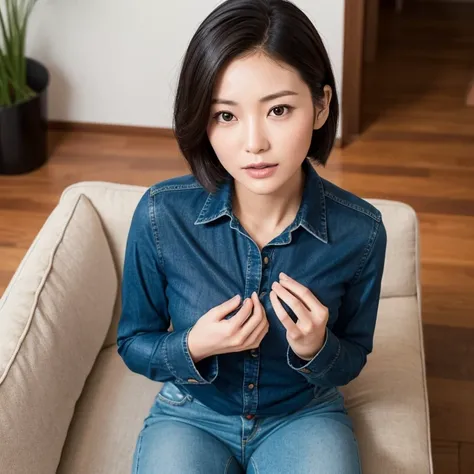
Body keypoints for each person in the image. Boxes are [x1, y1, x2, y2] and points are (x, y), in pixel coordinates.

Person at [117, 0, 387, 473]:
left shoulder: (361, 231)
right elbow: (133, 341)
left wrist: (316, 347)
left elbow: (353, 359)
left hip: (304, 414)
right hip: (191, 415)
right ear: (203, 118)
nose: (254, 142)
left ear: (321, 106)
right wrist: (194, 346)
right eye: (226, 116)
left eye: (279, 109)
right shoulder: (161, 215)